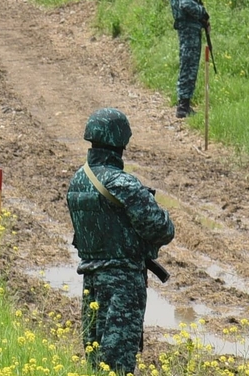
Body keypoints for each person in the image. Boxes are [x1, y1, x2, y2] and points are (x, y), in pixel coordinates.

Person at [67, 108, 175, 375]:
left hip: (90, 280)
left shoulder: (78, 180)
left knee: (95, 361)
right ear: (121, 140)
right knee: (118, 363)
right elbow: (163, 229)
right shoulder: (123, 183)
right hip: (123, 285)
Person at [167, 0, 210, 119]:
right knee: (189, 64)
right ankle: (183, 106)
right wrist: (203, 12)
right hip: (188, 29)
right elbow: (186, 4)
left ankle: (184, 103)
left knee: (188, 63)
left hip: (188, 27)